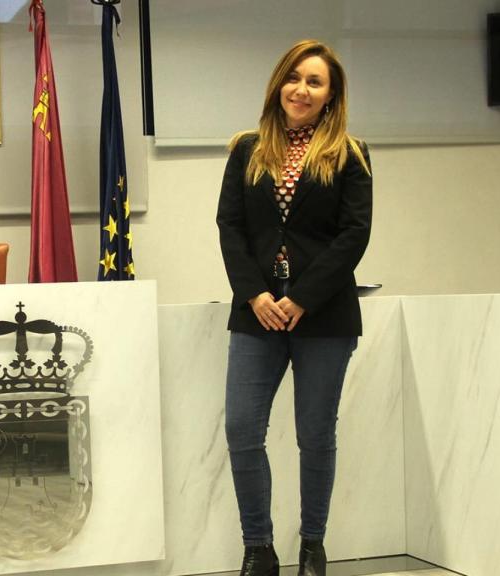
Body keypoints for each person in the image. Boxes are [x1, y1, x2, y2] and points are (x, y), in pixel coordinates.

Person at [216, 39, 372, 576]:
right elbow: (230, 228)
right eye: (294, 78)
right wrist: (256, 294)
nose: (301, 89)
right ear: (279, 83)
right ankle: (257, 548)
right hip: (255, 314)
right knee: (241, 430)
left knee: (315, 435)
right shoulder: (245, 149)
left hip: (323, 316)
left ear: (331, 96)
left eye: (315, 82)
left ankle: (312, 546)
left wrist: (301, 297)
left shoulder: (350, 155)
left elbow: (353, 236)